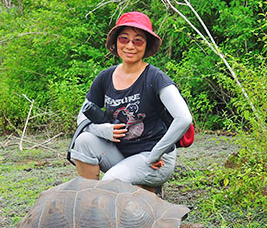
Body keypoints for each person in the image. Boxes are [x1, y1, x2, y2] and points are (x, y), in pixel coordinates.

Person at [68, 11, 193, 192]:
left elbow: (184, 118)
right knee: (83, 141)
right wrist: (102, 130)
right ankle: (92, 203)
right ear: (116, 42)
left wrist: (156, 154)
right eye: (124, 39)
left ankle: (148, 188)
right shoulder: (105, 77)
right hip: (121, 153)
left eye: (138, 40)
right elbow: (82, 117)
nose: (130, 46)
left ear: (146, 45)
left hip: (154, 157)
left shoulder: (155, 77)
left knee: (112, 181)